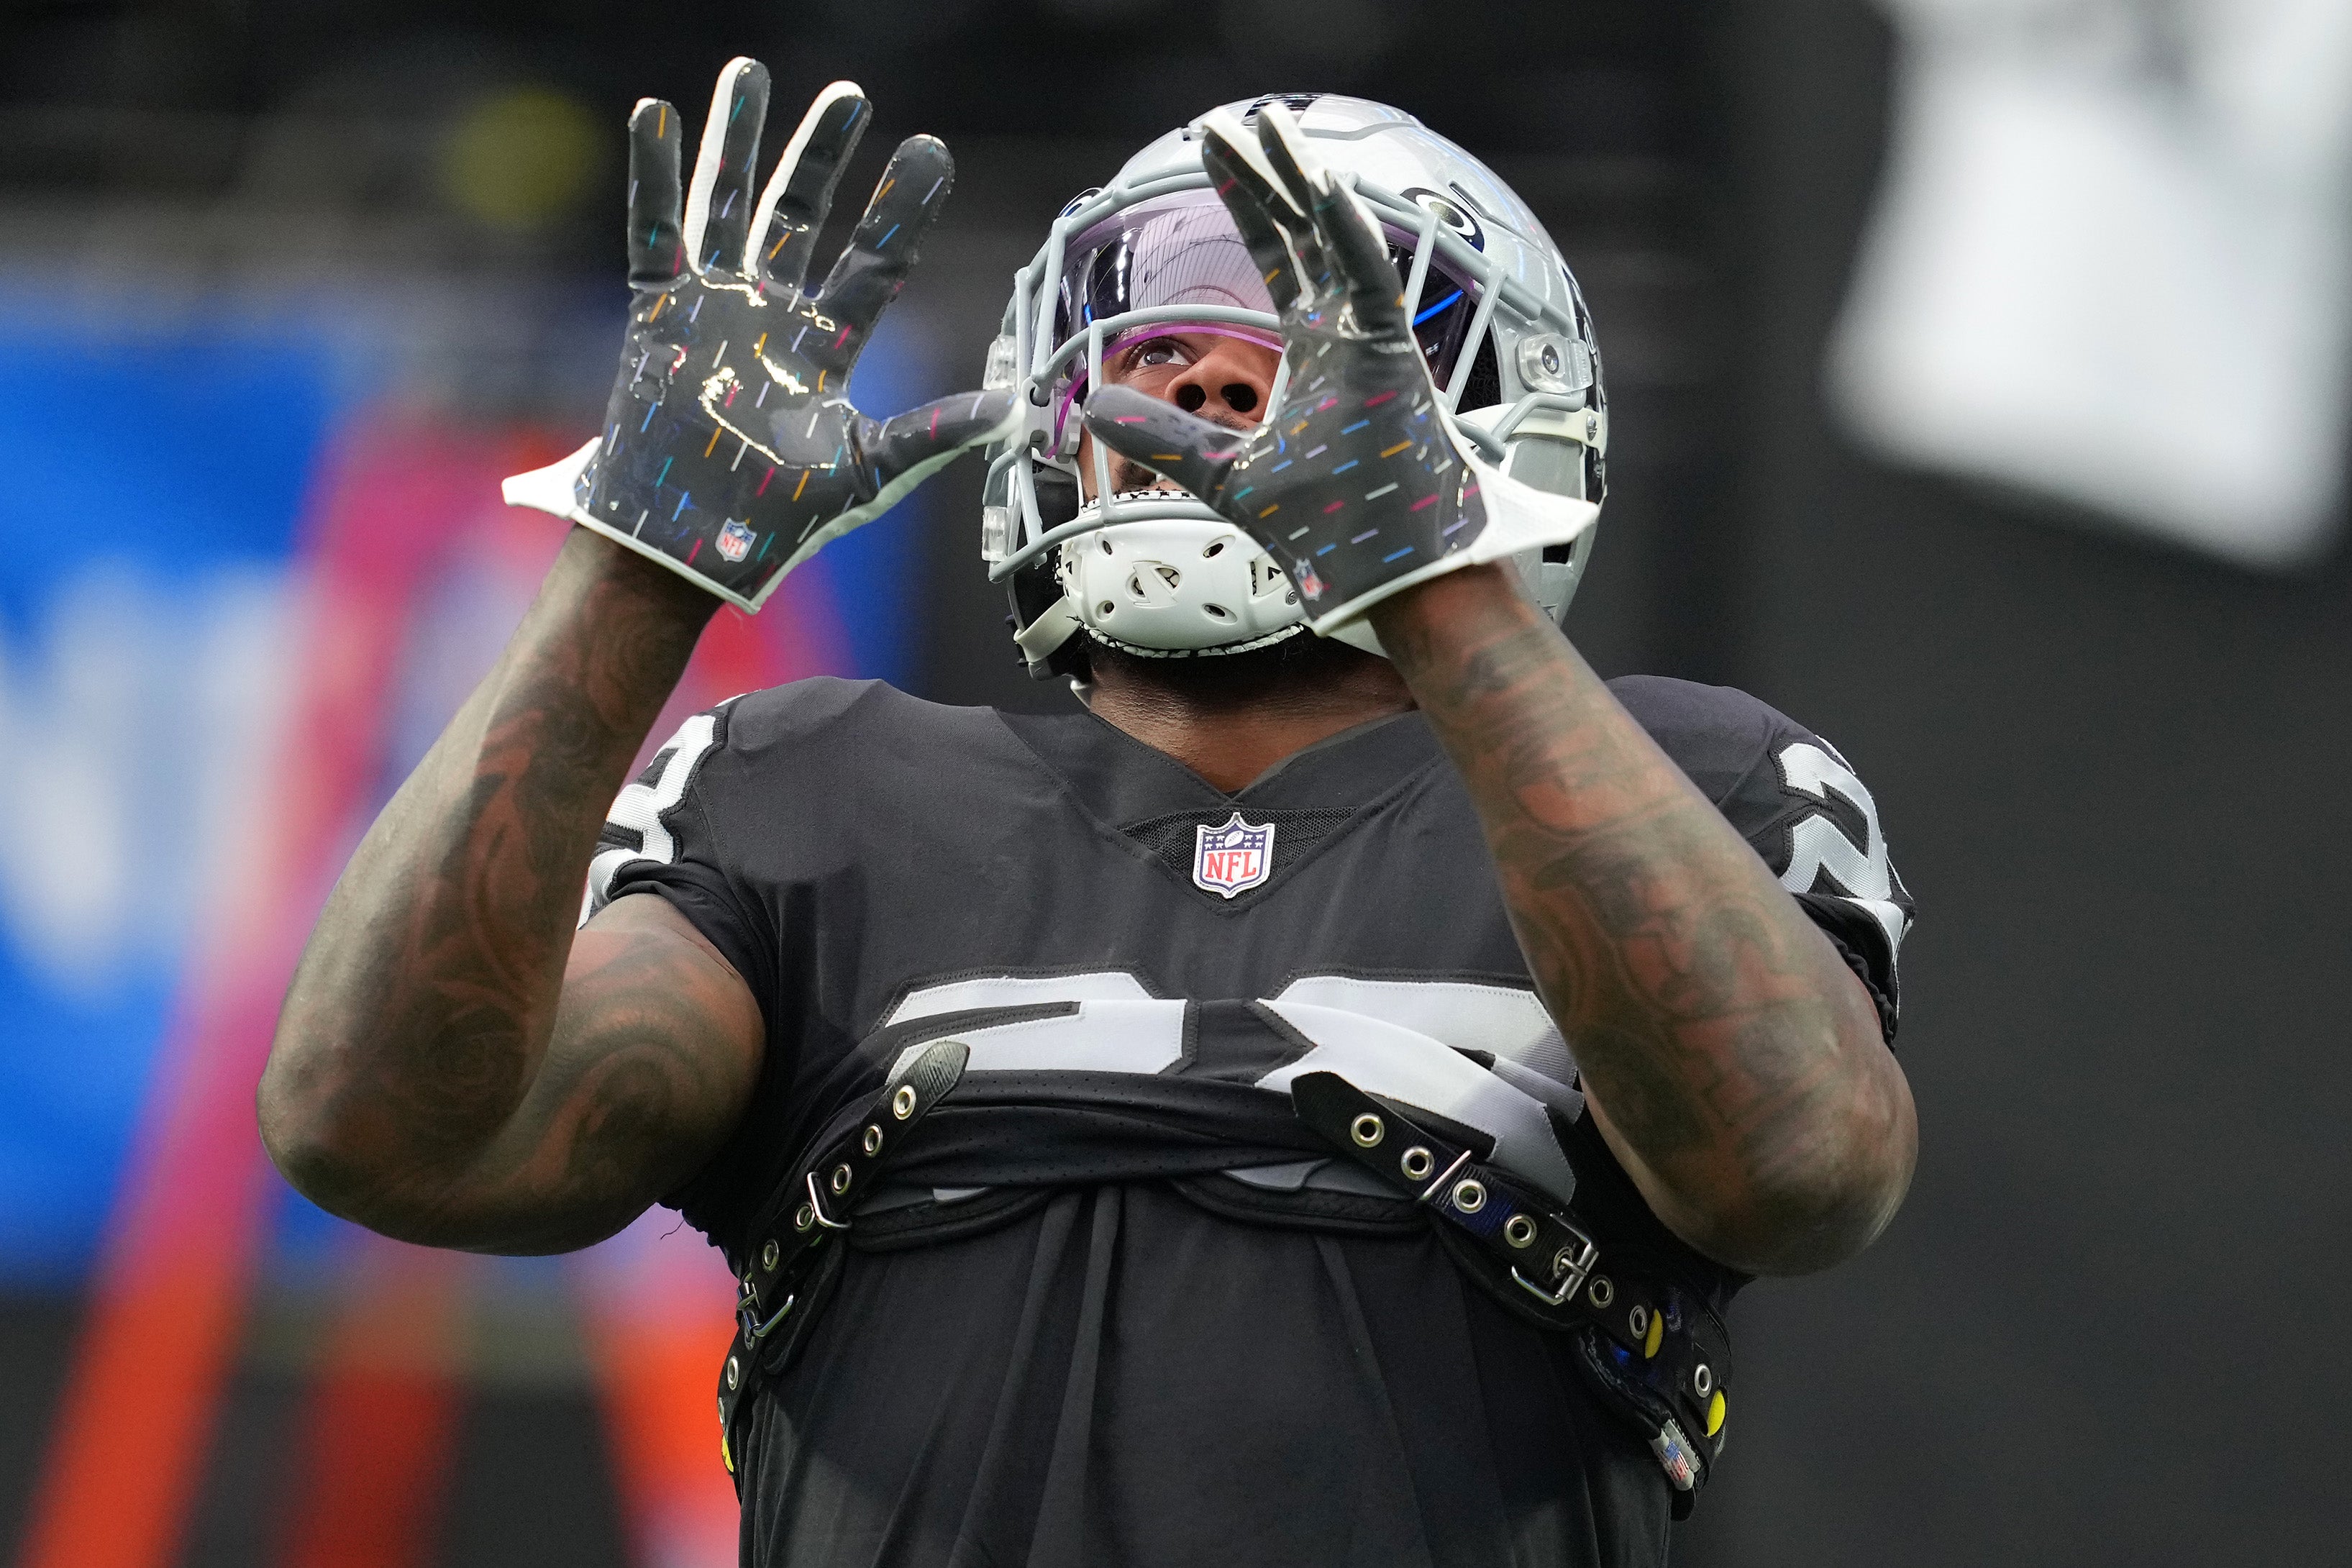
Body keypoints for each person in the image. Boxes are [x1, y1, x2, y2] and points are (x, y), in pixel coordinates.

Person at [260, 60, 1918, 1568]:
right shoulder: (814, 789)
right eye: (1157, 333)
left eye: (1311, 331)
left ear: (1492, 406)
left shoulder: (1681, 782)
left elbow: (1798, 1167)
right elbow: (378, 1125)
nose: (1204, 366)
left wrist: (1444, 595)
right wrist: (629, 579)